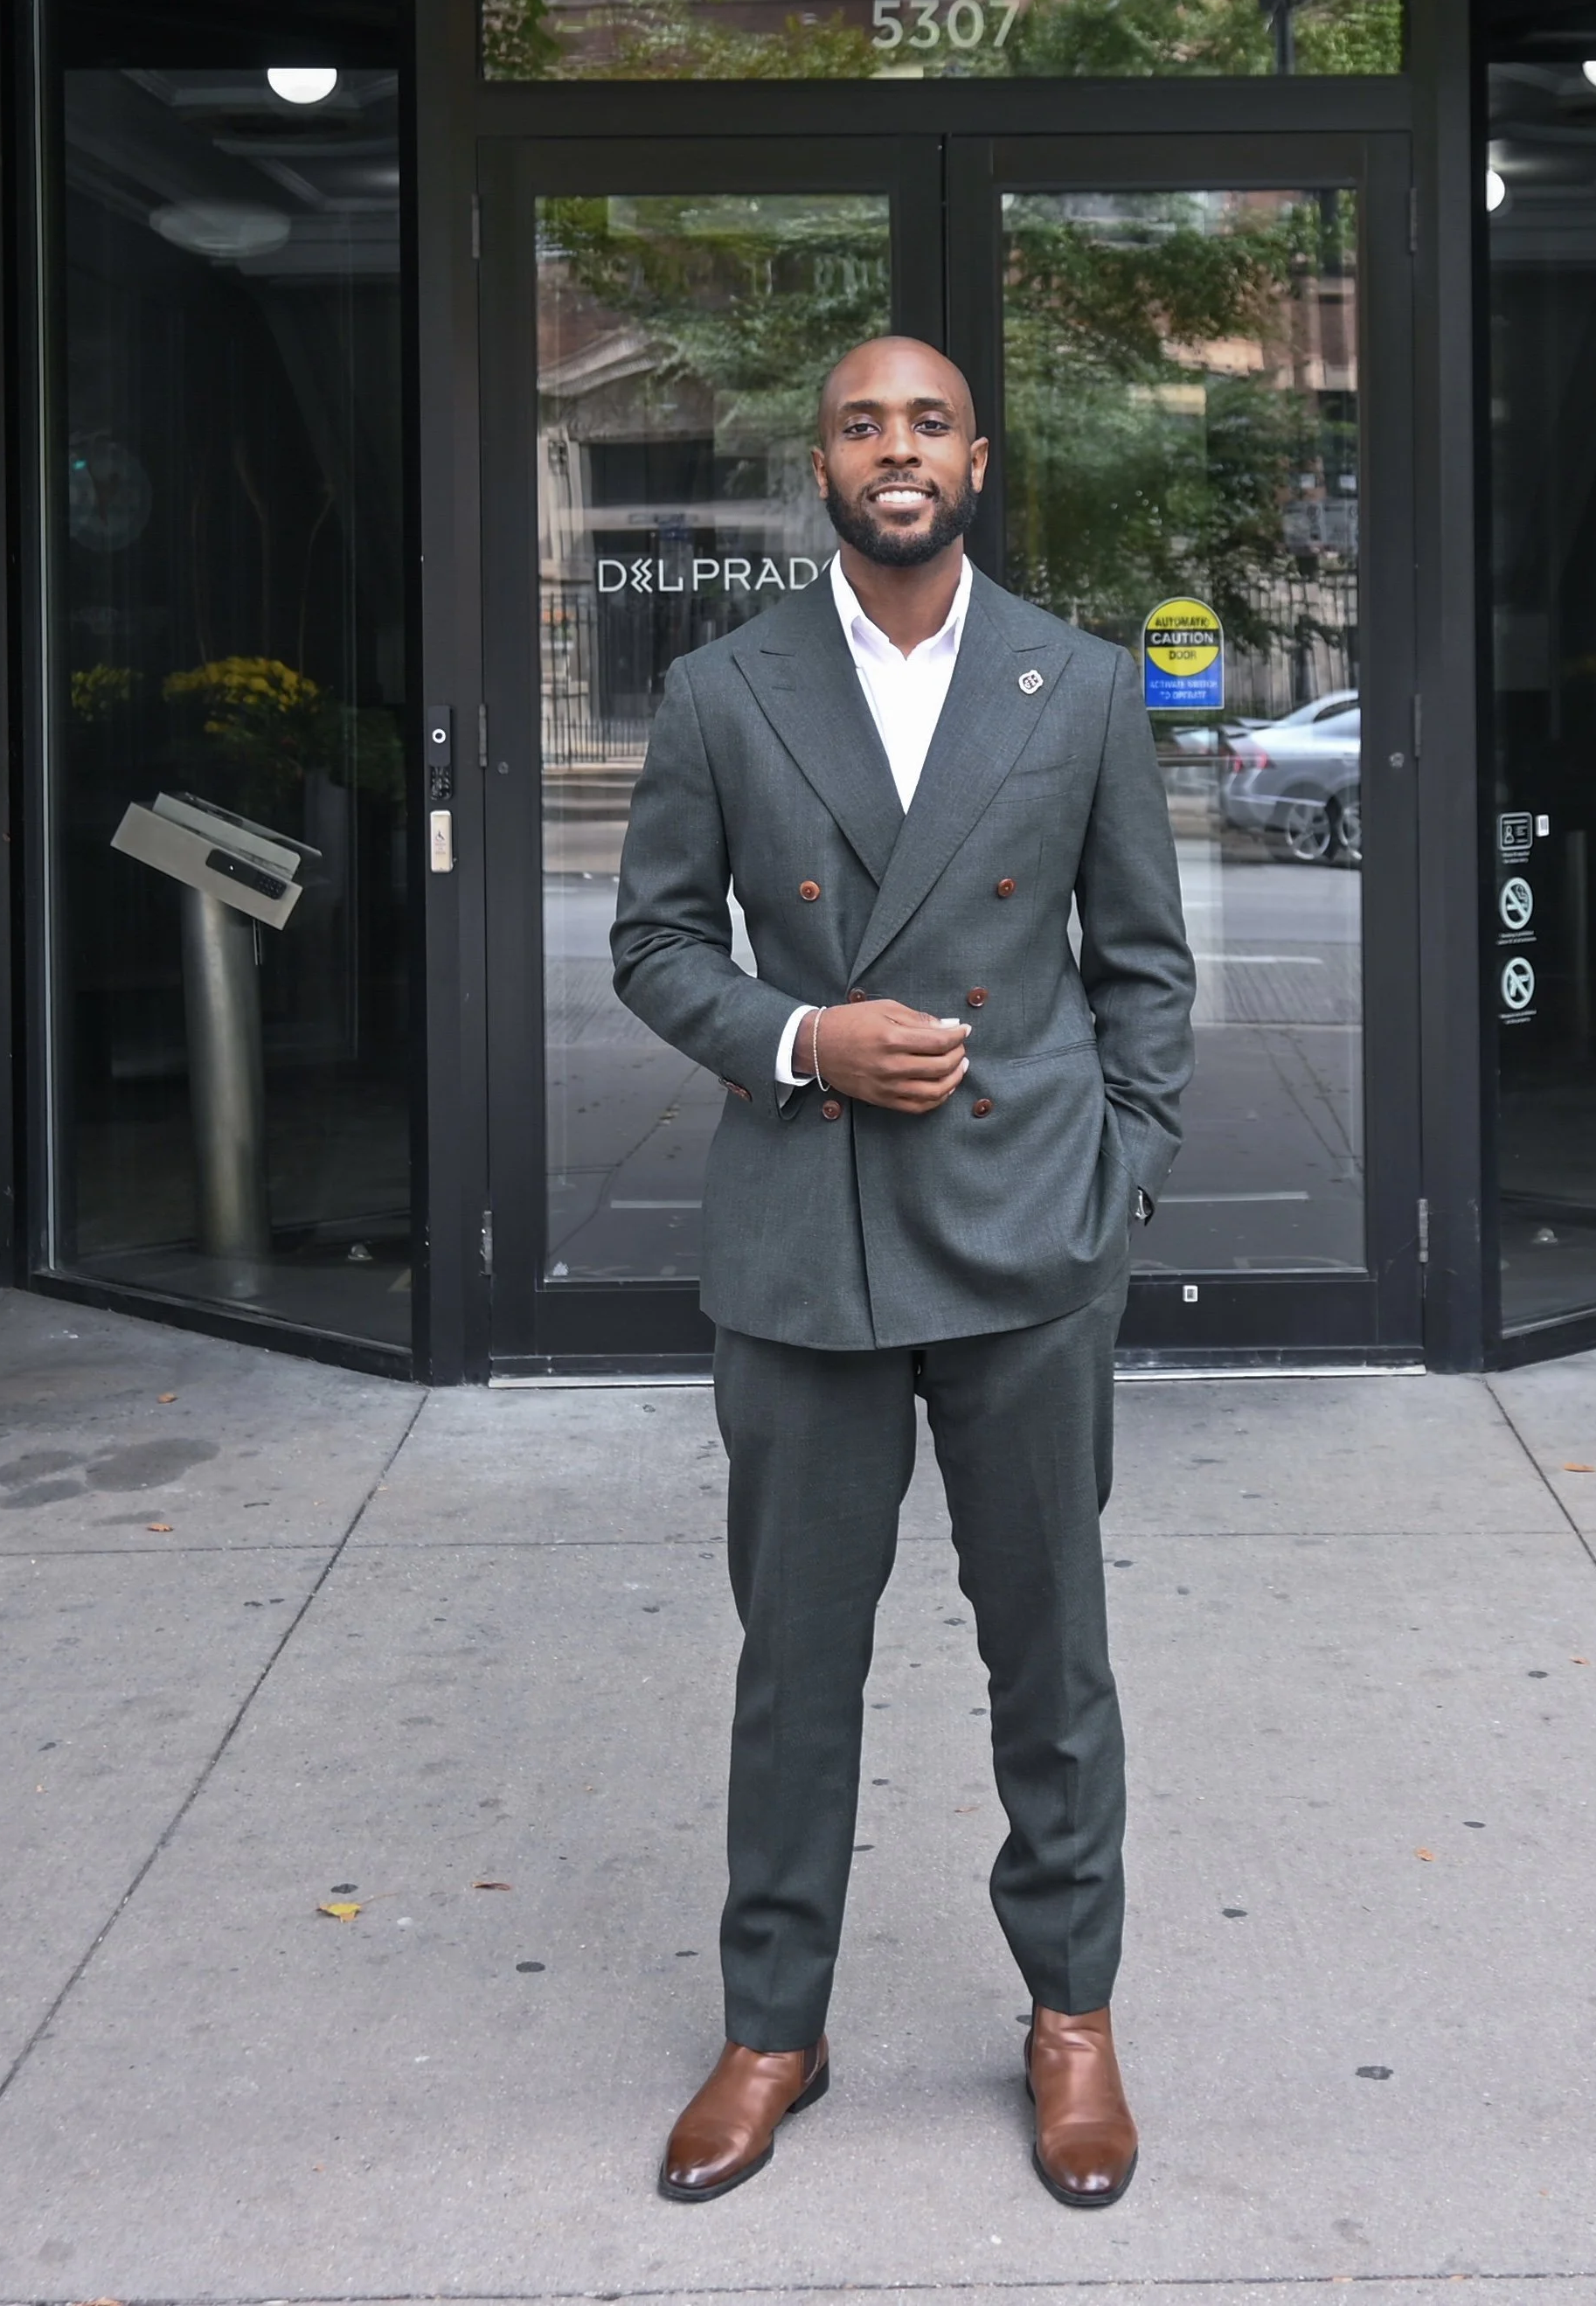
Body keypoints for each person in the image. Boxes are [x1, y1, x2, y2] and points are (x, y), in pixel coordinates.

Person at [610, 335, 1195, 2211]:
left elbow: (1144, 973)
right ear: (824, 466)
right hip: (801, 1244)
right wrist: (801, 1043)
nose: (895, 449)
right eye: (863, 422)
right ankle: (774, 2025)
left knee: (1054, 1660)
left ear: (978, 459)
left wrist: (1116, 1184)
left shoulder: (1082, 686)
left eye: (926, 421)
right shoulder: (721, 690)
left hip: (1027, 1242)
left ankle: (1072, 2018)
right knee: (796, 1666)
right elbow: (647, 947)